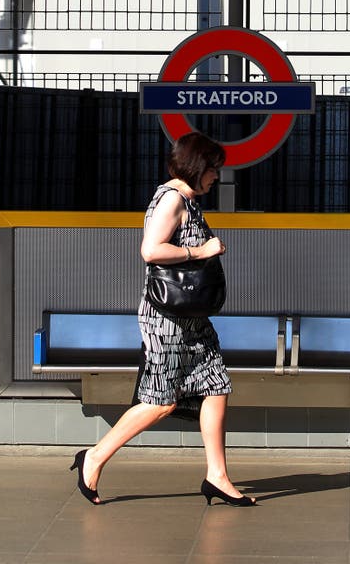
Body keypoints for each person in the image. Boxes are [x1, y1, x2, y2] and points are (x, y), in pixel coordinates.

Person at [70, 131, 256, 507]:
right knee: (161, 402)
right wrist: (200, 249)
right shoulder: (171, 199)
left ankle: (217, 476)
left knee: (216, 386)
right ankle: (93, 456)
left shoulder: (187, 199)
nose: (215, 177)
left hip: (191, 316)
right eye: (212, 170)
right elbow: (150, 250)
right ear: (197, 166)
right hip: (166, 318)